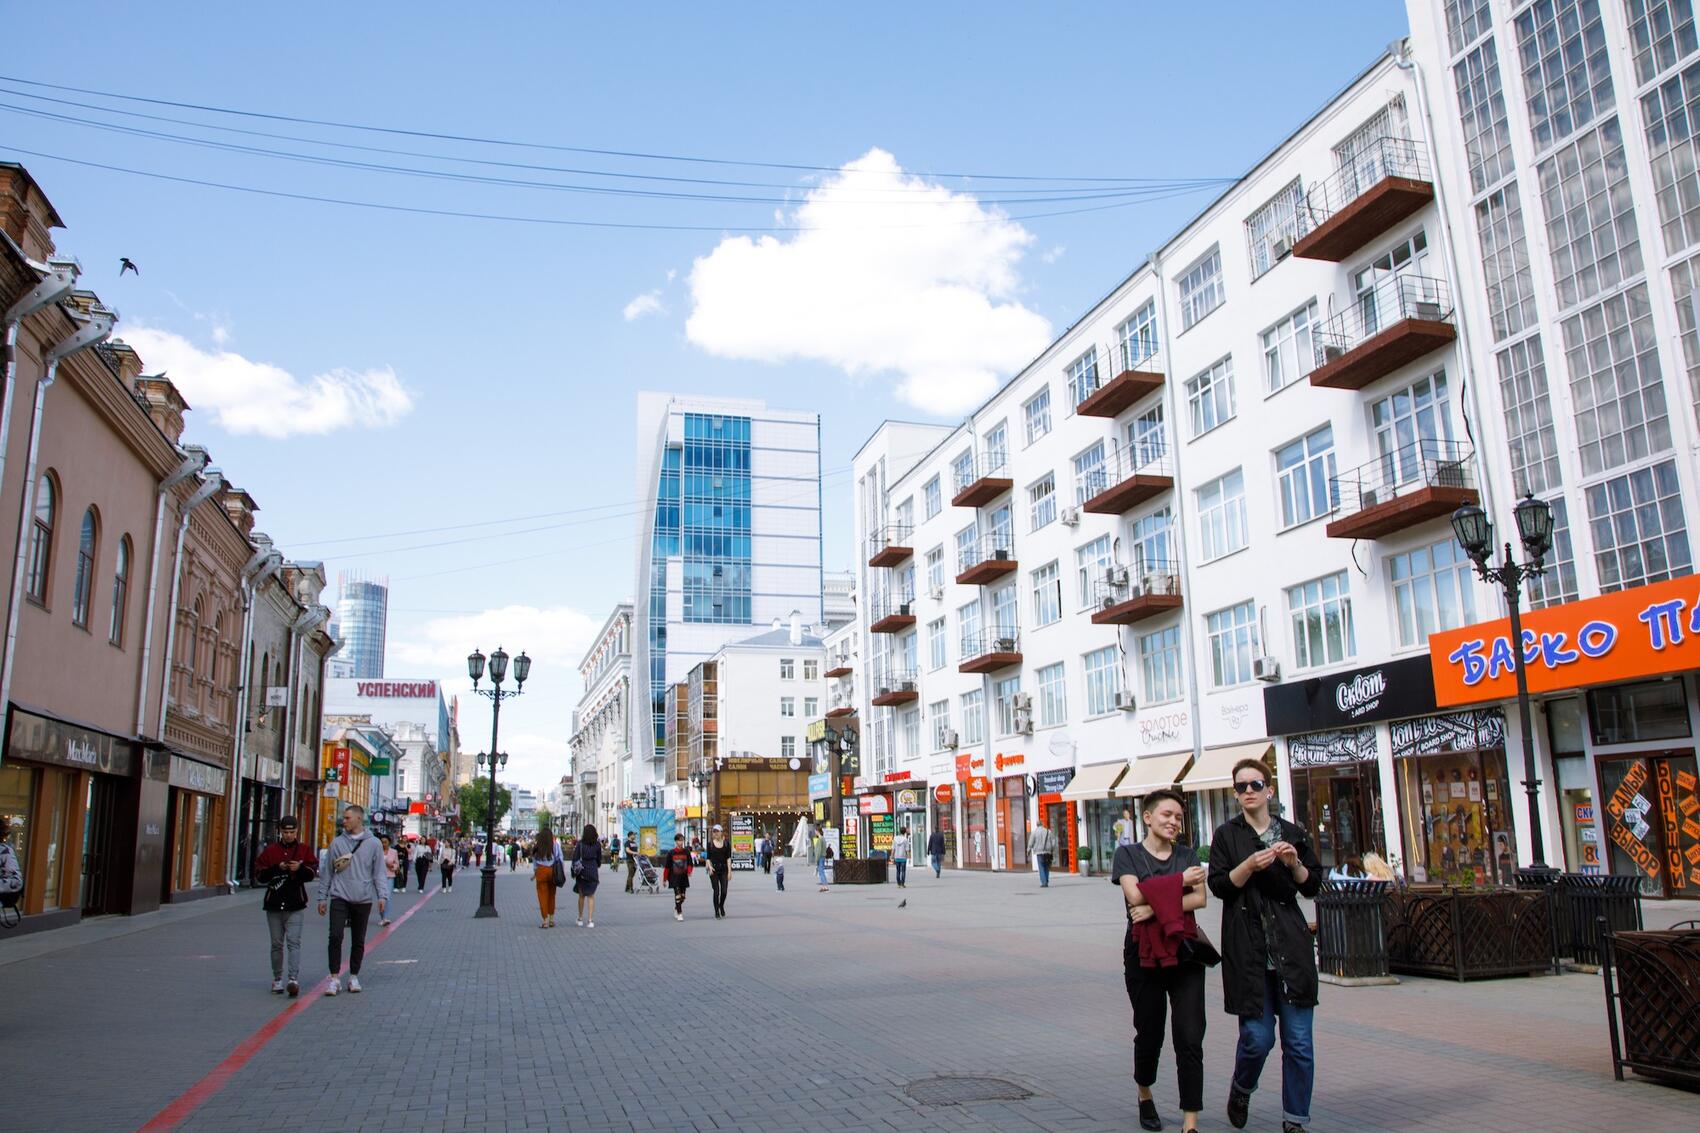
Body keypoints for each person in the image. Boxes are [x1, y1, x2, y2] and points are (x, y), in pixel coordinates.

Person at [1209, 760, 1324, 1133]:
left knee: (1299, 1043)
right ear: (1235, 794)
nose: (1248, 791)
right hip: (1249, 951)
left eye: (1255, 784)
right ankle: (1242, 1087)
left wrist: (1294, 864)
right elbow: (1219, 886)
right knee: (1257, 1039)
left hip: (1290, 948)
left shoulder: (1291, 833)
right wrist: (1248, 866)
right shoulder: (1227, 835)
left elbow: (1311, 885)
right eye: (1241, 786)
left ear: (1269, 790)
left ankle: (1295, 1120)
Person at [1116, 790, 1211, 1133]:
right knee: (1150, 1031)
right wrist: (1180, 882)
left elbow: (1200, 899)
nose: (1173, 822)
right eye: (1167, 815)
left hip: (1184, 951)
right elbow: (1133, 894)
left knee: (1190, 1035)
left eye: (1179, 817)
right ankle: (1144, 1092)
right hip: (1143, 955)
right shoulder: (1127, 855)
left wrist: (1154, 908)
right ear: (1147, 817)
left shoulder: (1187, 854)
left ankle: (1190, 1121)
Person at [317, 804, 388, 996]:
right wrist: (322, 897)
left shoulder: (373, 843)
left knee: (358, 939)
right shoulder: (337, 843)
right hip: (339, 896)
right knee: (335, 936)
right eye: (344, 817)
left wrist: (382, 895)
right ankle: (334, 978)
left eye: (347, 818)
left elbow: (378, 872)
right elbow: (327, 872)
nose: (344, 821)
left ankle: (354, 975)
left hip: (362, 898)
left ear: (359, 819)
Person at [254, 816, 319, 996]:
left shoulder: (304, 850)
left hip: (295, 904)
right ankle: (277, 979)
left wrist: (300, 868)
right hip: (274, 904)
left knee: (293, 943)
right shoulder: (271, 851)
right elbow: (259, 875)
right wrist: (278, 868)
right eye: (285, 832)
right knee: (276, 944)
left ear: (297, 831)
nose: (288, 835)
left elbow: (312, 873)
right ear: (280, 832)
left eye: (292, 832)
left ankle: (293, 979)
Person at [532, 824, 563, 928]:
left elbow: (534, 861)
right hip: (552, 870)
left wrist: (535, 872)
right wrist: (561, 871)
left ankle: (545, 920)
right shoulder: (555, 845)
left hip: (541, 871)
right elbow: (560, 858)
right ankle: (552, 919)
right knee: (552, 895)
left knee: (542, 896)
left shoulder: (537, 846)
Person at [572, 823, 602, 927]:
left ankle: (580, 919)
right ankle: (590, 920)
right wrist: (596, 865)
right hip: (593, 871)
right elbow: (599, 859)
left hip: (582, 871)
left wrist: (574, 872)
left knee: (581, 896)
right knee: (591, 896)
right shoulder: (597, 845)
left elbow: (575, 858)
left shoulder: (580, 844)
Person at [662, 833, 693, 920]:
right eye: (679, 840)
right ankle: (679, 913)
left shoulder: (686, 851)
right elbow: (667, 867)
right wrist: (664, 879)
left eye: (682, 840)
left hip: (683, 877)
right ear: (676, 841)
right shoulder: (671, 853)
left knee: (683, 896)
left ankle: (676, 908)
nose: (681, 842)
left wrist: (689, 871)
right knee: (677, 895)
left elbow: (690, 863)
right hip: (674, 877)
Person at [705, 823, 732, 918]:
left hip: (724, 869)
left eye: (717, 831)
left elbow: (728, 858)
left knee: (724, 891)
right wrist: (709, 866)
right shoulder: (710, 844)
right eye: (714, 832)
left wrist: (729, 871)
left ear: (721, 832)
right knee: (716, 891)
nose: (715, 833)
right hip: (714, 870)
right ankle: (716, 911)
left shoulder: (726, 844)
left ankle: (721, 905)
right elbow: (708, 858)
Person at [1029, 821, 1057, 888]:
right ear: (1042, 824)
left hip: (1039, 852)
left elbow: (1031, 842)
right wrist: (1052, 848)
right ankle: (1046, 880)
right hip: (1047, 851)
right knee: (1046, 866)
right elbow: (1053, 840)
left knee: (1041, 867)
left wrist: (1028, 850)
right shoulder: (1048, 831)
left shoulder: (1034, 832)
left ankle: (1044, 882)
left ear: (1037, 825)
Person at [378, 835, 398, 925]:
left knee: (387, 897)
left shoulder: (394, 852)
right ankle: (382, 917)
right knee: (381, 898)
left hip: (389, 876)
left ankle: (385, 917)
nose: (383, 844)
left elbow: (397, 864)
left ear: (389, 842)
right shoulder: (377, 852)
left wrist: (392, 866)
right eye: (382, 842)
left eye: (385, 842)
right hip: (379, 877)